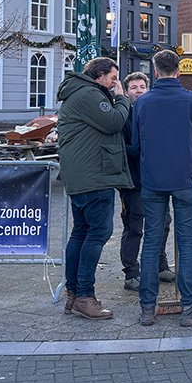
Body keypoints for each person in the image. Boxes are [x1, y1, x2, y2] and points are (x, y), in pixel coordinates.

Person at [129, 49, 192, 327]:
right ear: (178, 71)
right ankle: (189, 307)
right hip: (185, 178)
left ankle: (146, 308)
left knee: (151, 242)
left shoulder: (142, 103)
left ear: (155, 72)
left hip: (153, 180)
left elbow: (136, 143)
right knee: (187, 243)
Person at [55, 56, 132, 320]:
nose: (114, 83)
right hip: (94, 176)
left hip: (81, 176)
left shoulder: (78, 92)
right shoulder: (89, 94)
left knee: (81, 233)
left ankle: (73, 296)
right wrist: (122, 99)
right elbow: (113, 122)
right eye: (112, 78)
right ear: (99, 74)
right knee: (97, 233)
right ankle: (85, 297)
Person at [119, 72, 175, 290]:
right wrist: (146, 149)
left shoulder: (155, 113)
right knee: (135, 228)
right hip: (133, 182)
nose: (139, 90)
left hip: (158, 180)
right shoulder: (123, 117)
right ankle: (131, 273)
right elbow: (120, 149)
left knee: (164, 224)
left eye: (142, 86)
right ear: (126, 92)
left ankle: (161, 267)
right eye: (134, 87)